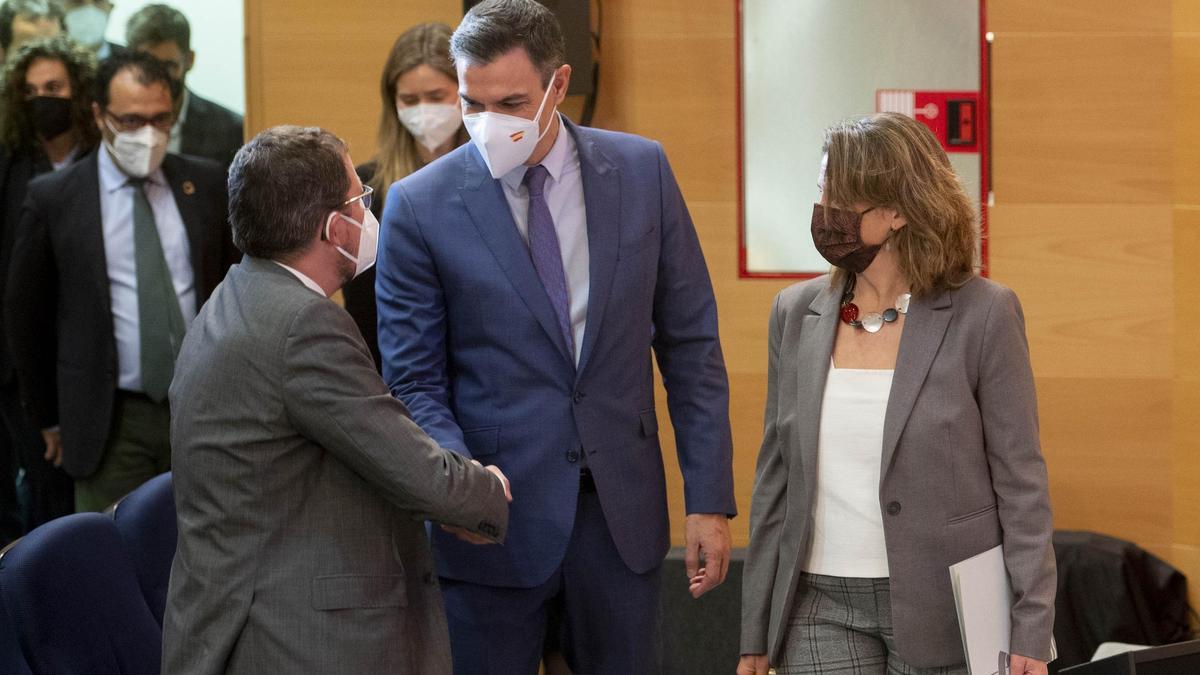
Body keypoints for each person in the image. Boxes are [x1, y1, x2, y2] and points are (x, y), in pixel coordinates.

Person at [376, 1, 736, 672]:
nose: (489, 124)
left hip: (619, 517)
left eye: (511, 102)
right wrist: (459, 479)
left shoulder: (642, 172)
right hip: (491, 524)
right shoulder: (418, 205)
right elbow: (414, 378)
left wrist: (708, 498)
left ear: (559, 85)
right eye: (472, 104)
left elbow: (691, 346)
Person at [162, 124, 511, 674]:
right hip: (290, 637)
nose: (369, 214)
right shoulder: (303, 325)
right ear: (335, 227)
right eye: (361, 200)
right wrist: (486, 492)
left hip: (240, 612)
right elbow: (413, 469)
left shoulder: (240, 292)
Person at [738, 113, 1056, 675]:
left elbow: (1021, 481)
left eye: (841, 197)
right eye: (822, 191)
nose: (823, 212)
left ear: (899, 211)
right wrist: (755, 633)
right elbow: (775, 481)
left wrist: (1033, 624)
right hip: (818, 600)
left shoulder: (985, 314)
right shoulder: (795, 312)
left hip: (945, 604)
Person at [4, 50, 236, 513]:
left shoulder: (205, 184)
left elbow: (233, 289)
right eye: (129, 120)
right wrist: (47, 418)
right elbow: (25, 316)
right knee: (112, 565)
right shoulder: (55, 198)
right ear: (98, 115)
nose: (147, 134)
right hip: (107, 419)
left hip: (199, 409)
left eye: (159, 119)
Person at [0, 35, 97, 531]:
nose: (43, 100)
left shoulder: (103, 162)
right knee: (41, 499)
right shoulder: (11, 164)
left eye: (54, 87)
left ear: (79, 92)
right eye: (31, 91)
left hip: (90, 361)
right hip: (21, 369)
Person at [344, 21, 467, 369]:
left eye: (436, 97)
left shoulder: (496, 178)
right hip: (395, 376)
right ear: (393, 102)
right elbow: (363, 312)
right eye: (410, 100)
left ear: (463, 92)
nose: (424, 110)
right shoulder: (367, 189)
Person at [125, 3, 243, 171]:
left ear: (189, 60)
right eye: (148, 66)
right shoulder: (113, 125)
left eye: (168, 66)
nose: (159, 78)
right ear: (129, 63)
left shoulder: (231, 130)